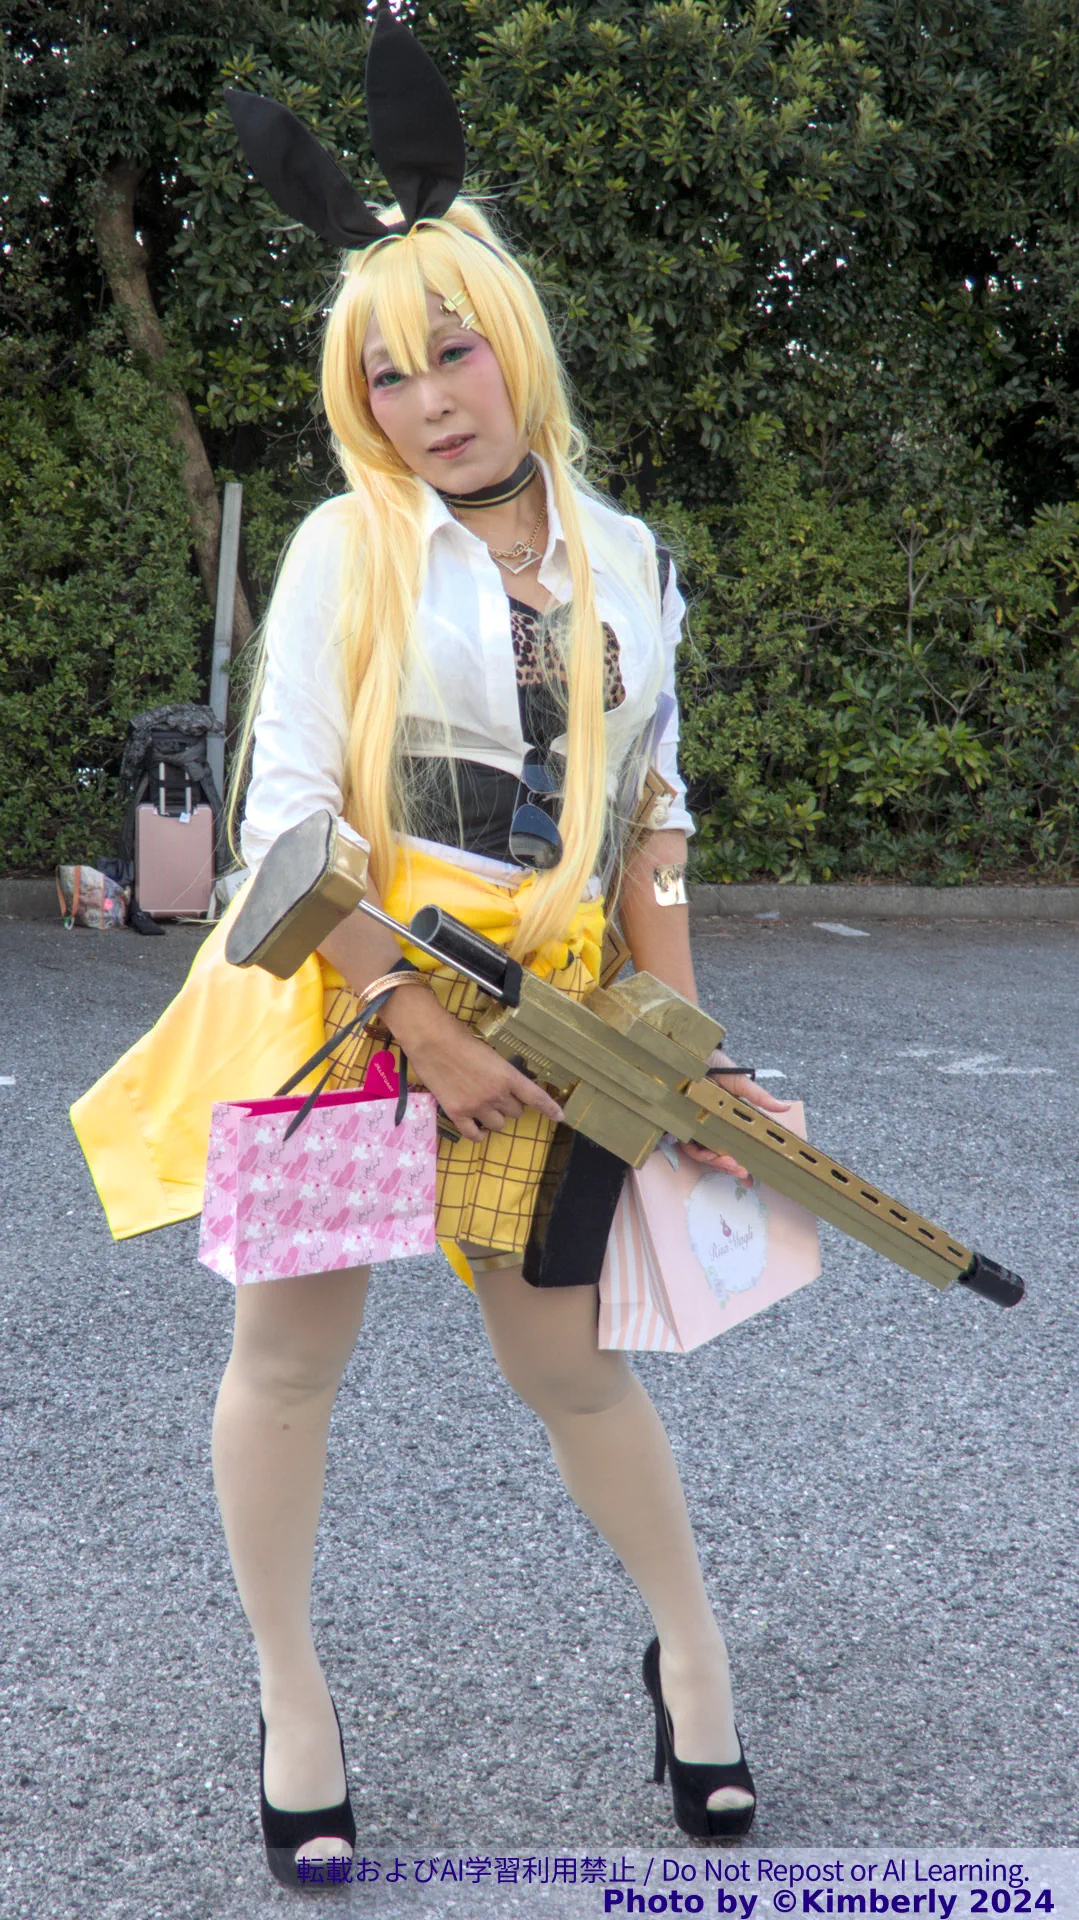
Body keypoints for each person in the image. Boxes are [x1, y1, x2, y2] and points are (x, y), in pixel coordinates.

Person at [72, 7, 793, 1887]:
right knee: (287, 1361)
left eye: (452, 352)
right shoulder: (350, 546)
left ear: (513, 340)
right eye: (385, 375)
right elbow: (284, 825)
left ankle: (692, 1657)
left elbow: (649, 824)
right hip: (343, 1007)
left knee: (570, 1363)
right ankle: (292, 1703)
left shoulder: (631, 558)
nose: (427, 402)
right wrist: (410, 1011)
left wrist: (687, 1046)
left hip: (554, 1027)